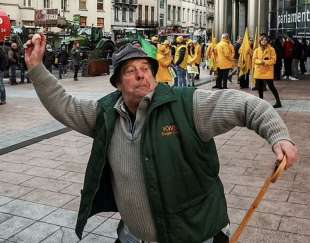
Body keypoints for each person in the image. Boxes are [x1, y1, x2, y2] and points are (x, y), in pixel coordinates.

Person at [25, 35, 298, 243]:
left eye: (145, 67)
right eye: (130, 70)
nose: (141, 74)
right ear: (118, 83)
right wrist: (36, 67)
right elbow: (64, 105)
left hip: (194, 235)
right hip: (133, 236)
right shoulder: (106, 114)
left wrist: (278, 136)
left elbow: (246, 105)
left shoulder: (186, 104)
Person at [253, 35, 282, 108]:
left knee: (271, 86)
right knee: (259, 87)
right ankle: (261, 101)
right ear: (260, 41)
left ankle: (278, 102)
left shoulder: (271, 49)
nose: (264, 41)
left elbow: (274, 60)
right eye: (262, 40)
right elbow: (254, 59)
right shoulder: (256, 50)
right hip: (259, 71)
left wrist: (265, 62)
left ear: (267, 41)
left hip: (268, 71)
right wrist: (260, 61)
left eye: (265, 40)